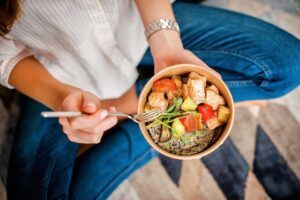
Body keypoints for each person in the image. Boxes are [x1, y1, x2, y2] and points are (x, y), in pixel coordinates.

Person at [0, 0, 299, 199]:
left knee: (289, 64)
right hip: (62, 72)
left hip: (146, 26)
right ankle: (147, 124)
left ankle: (140, 113)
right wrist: (60, 96)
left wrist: (167, 45)